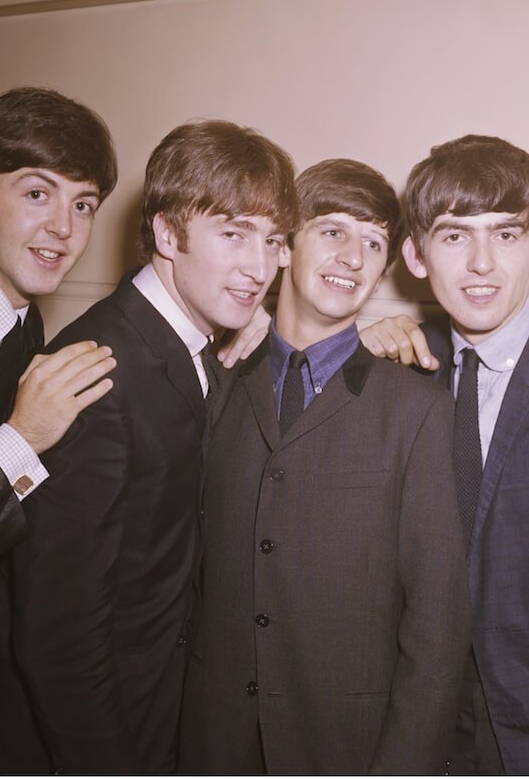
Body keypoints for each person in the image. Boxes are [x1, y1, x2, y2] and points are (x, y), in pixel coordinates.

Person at [0, 119, 298, 773]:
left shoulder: (192, 343)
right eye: (232, 233)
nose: (259, 267)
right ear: (167, 234)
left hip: (157, 714)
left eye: (272, 239)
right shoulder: (96, 375)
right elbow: (58, 642)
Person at [177, 159, 470, 773]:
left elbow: (437, 623)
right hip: (215, 741)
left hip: (349, 747)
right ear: (283, 248)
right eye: (333, 231)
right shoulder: (219, 383)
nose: (353, 258)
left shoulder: (416, 409)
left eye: (373, 243)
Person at [0, 87, 119, 773]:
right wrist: (21, 437)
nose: (64, 230)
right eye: (37, 193)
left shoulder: (26, 325)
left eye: (82, 205)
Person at [395, 134, 529, 775]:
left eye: (507, 235)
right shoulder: (401, 371)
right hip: (427, 730)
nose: (482, 264)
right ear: (416, 253)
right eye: (456, 236)